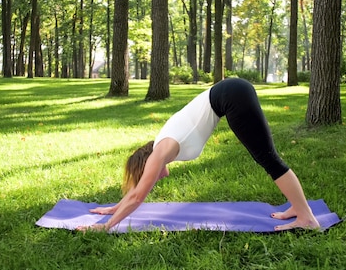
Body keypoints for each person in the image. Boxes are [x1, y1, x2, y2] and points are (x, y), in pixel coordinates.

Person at [77, 78, 320, 232]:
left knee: (268, 159)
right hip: (231, 92)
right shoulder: (160, 146)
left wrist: (106, 227)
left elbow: (139, 194)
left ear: (145, 165)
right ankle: (298, 208)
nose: (154, 179)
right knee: (266, 157)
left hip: (230, 96)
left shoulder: (160, 152)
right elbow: (139, 189)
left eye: (146, 174)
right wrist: (114, 207)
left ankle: (306, 218)